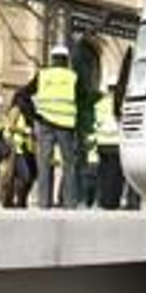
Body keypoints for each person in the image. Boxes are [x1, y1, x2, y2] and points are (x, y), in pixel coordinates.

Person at [28, 43, 82, 209]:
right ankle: (69, 202)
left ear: (52, 59)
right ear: (66, 60)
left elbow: (25, 94)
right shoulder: (73, 77)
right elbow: (82, 99)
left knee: (44, 162)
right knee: (69, 164)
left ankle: (44, 203)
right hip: (66, 125)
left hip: (45, 123)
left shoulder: (42, 75)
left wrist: (35, 115)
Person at [94, 84, 124, 209]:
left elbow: (95, 123)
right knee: (116, 176)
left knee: (104, 175)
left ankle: (104, 201)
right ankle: (113, 202)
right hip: (115, 143)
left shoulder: (99, 104)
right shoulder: (121, 104)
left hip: (102, 143)